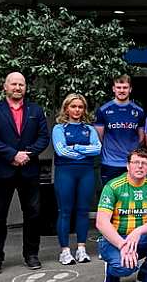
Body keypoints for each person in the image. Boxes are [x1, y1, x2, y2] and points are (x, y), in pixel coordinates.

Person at [0, 72, 50, 275]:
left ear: (25, 88)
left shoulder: (36, 110)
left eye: (21, 84)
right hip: (1, 171)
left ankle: (31, 254)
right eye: (14, 84)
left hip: (29, 170)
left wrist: (27, 155)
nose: (18, 87)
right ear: (5, 87)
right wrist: (13, 154)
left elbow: (43, 137)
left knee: (33, 215)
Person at [96, 147, 147, 282]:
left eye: (144, 163)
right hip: (114, 240)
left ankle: (145, 273)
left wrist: (138, 232)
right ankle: (112, 270)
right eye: (135, 162)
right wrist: (123, 245)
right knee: (125, 268)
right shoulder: (113, 186)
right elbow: (101, 222)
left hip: (139, 238)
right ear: (127, 166)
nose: (140, 166)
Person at [52, 94, 101, 265]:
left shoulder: (89, 129)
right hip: (65, 173)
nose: (77, 110)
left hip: (86, 173)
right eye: (73, 106)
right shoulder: (59, 128)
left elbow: (97, 149)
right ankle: (65, 251)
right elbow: (61, 151)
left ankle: (81, 248)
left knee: (83, 211)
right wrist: (83, 152)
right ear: (66, 108)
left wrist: (77, 148)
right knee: (65, 211)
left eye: (80, 107)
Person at [95, 74, 146, 186]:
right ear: (113, 89)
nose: (121, 90)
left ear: (130, 89)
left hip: (132, 163)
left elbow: (141, 139)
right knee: (110, 200)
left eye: (125, 87)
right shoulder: (103, 110)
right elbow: (99, 138)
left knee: (132, 199)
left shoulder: (139, 111)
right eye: (118, 87)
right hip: (110, 163)